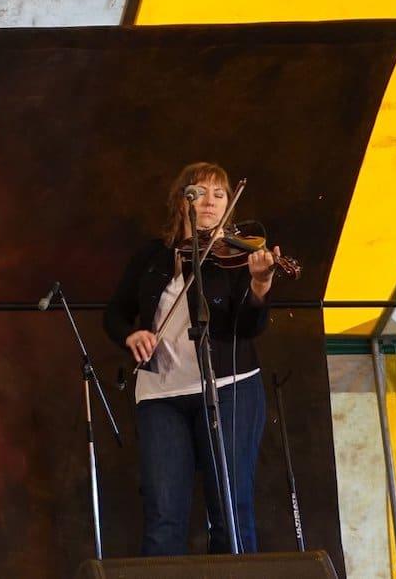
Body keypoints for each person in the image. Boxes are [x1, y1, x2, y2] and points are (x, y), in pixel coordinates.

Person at [104, 161, 280, 555]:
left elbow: (248, 328)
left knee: (230, 512)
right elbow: (114, 313)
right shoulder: (153, 256)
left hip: (229, 389)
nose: (211, 202)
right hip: (159, 396)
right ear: (181, 200)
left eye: (220, 195)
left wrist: (260, 284)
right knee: (164, 515)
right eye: (200, 192)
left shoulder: (236, 255)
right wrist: (131, 333)